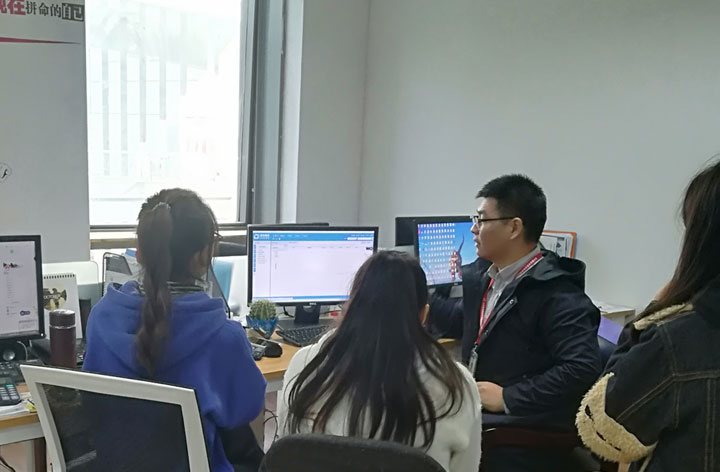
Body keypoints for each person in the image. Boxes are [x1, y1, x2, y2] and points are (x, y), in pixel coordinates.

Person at [83, 188, 266, 472]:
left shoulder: (101, 317)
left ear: (140, 253)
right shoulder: (223, 337)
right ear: (203, 256)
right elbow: (245, 410)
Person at [429, 174, 602, 472]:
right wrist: (418, 299)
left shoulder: (556, 293)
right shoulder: (490, 275)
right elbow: (466, 322)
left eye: (481, 220)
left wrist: (508, 397)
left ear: (514, 227)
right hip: (482, 410)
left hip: (520, 430)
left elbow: (581, 367)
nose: (473, 229)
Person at [277, 251, 482, 472]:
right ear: (424, 315)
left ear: (351, 306)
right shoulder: (457, 384)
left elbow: (286, 455)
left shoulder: (305, 366)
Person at [577, 160, 720, 471]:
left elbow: (603, 426)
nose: (475, 228)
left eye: (483, 218)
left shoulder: (676, 340)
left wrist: (656, 311)